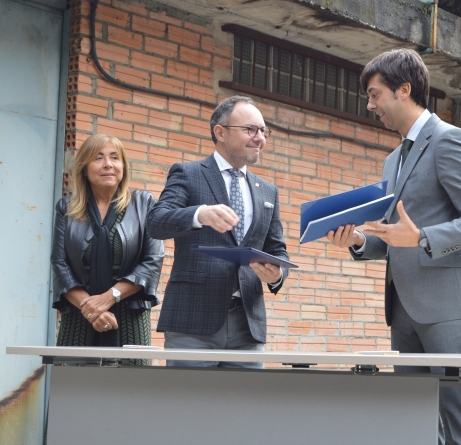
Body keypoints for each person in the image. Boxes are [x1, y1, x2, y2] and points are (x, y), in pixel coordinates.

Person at [327, 49, 461, 445]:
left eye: (375, 95)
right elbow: (395, 235)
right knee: (415, 424)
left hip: (449, 309)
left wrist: (423, 237)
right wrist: (358, 241)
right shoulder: (394, 160)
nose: (371, 106)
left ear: (404, 90)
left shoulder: (449, 140)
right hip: (403, 308)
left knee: (459, 424)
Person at [147, 95, 289, 368]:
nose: (259, 137)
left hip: (247, 324)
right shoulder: (188, 174)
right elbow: (156, 222)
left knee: (244, 409)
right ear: (220, 132)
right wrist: (199, 214)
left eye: (263, 131)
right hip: (193, 320)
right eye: (250, 129)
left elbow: (277, 250)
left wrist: (277, 274)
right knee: (191, 407)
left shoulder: (268, 191)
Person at [51, 134, 164, 365]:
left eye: (115, 157)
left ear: (123, 166)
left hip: (129, 317)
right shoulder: (67, 208)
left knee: (130, 392)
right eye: (98, 158)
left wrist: (108, 298)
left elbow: (152, 261)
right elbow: (60, 264)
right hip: (80, 315)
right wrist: (93, 310)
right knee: (75, 392)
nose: (108, 164)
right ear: (84, 168)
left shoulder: (144, 204)